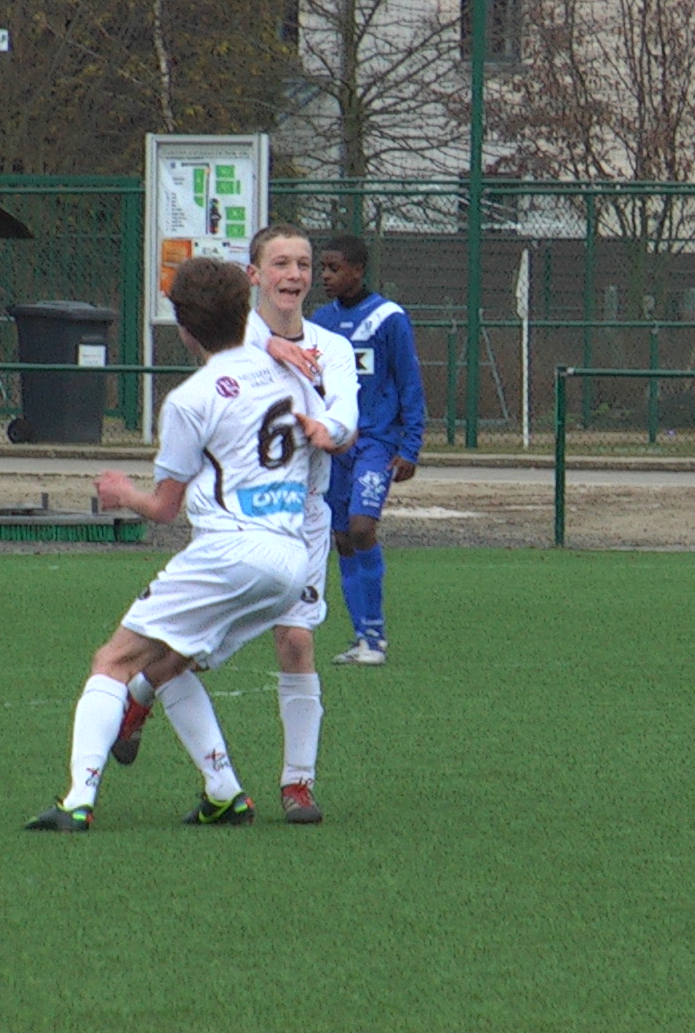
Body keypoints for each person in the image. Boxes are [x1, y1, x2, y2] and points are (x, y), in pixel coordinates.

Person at [24, 256, 340, 831]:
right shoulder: (291, 371)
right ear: (245, 311)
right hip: (291, 561)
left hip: (231, 553)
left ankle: (76, 802)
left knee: (113, 661)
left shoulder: (191, 400)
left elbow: (164, 509)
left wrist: (123, 493)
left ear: (184, 328)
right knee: (169, 664)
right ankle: (224, 794)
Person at [111, 224, 360, 825]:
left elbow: (347, 413)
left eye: (303, 264)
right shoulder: (236, 335)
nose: (294, 275)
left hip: (302, 517)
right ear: (254, 275)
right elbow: (236, 352)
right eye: (281, 263)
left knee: (296, 640)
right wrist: (270, 346)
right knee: (187, 650)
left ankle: (298, 783)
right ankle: (148, 697)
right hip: (236, 520)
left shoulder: (331, 347)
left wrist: (330, 429)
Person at [311, 235, 427, 666]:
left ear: (358, 270)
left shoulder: (388, 318)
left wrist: (410, 445)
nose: (325, 276)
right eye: (322, 268)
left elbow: (409, 381)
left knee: (362, 528)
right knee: (342, 537)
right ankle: (363, 638)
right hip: (336, 443)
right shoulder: (320, 322)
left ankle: (375, 636)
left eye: (334, 268)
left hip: (376, 441)